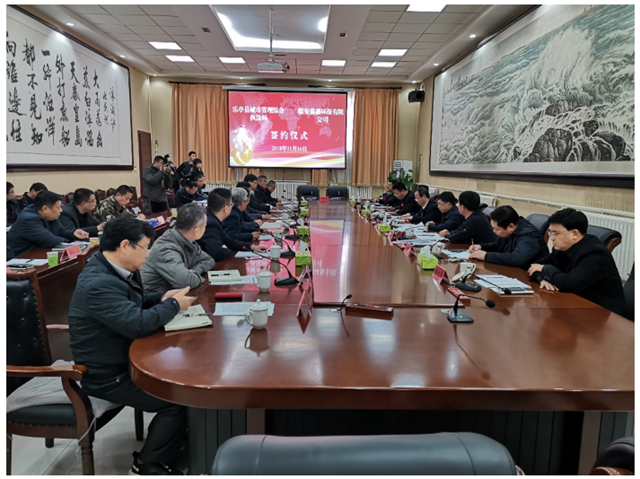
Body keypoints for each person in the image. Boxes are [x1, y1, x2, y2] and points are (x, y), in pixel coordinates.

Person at [68, 215, 195, 475]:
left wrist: (161, 297)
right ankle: (147, 464)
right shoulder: (99, 283)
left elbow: (130, 303)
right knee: (178, 399)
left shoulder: (114, 268)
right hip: (106, 375)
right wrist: (174, 305)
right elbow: (137, 324)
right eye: (145, 247)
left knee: (185, 377)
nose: (148, 254)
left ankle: (172, 437)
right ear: (125, 245)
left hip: (125, 359)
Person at [527, 208, 625, 315]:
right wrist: (541, 279)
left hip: (601, 313)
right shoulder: (562, 248)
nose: (551, 238)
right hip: (573, 304)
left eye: (555, 233)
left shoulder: (595, 253)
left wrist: (545, 269)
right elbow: (534, 265)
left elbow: (568, 284)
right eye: (550, 233)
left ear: (574, 234)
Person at [141, 204, 215, 293]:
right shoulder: (166, 249)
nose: (205, 229)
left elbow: (209, 260)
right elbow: (186, 282)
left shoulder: (186, 240)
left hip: (175, 294)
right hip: (157, 298)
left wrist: (195, 271)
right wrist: (191, 274)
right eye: (205, 226)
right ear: (196, 230)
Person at [7, 191, 89, 256]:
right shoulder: (28, 220)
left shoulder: (49, 215)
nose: (61, 210)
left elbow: (61, 231)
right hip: (21, 258)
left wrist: (73, 233)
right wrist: (70, 243)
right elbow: (50, 240)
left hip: (40, 253)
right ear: (45, 208)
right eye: (58, 207)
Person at [197, 188, 267, 261]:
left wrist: (251, 246)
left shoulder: (212, 218)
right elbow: (217, 254)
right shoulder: (211, 224)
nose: (232, 207)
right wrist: (227, 249)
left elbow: (228, 241)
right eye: (231, 204)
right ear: (226, 208)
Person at [468, 205, 548, 269]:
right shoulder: (509, 230)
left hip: (531, 277)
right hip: (513, 271)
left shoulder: (529, 235)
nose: (494, 231)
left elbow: (517, 259)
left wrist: (486, 256)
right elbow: (497, 245)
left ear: (511, 226)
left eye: (497, 229)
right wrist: (481, 246)